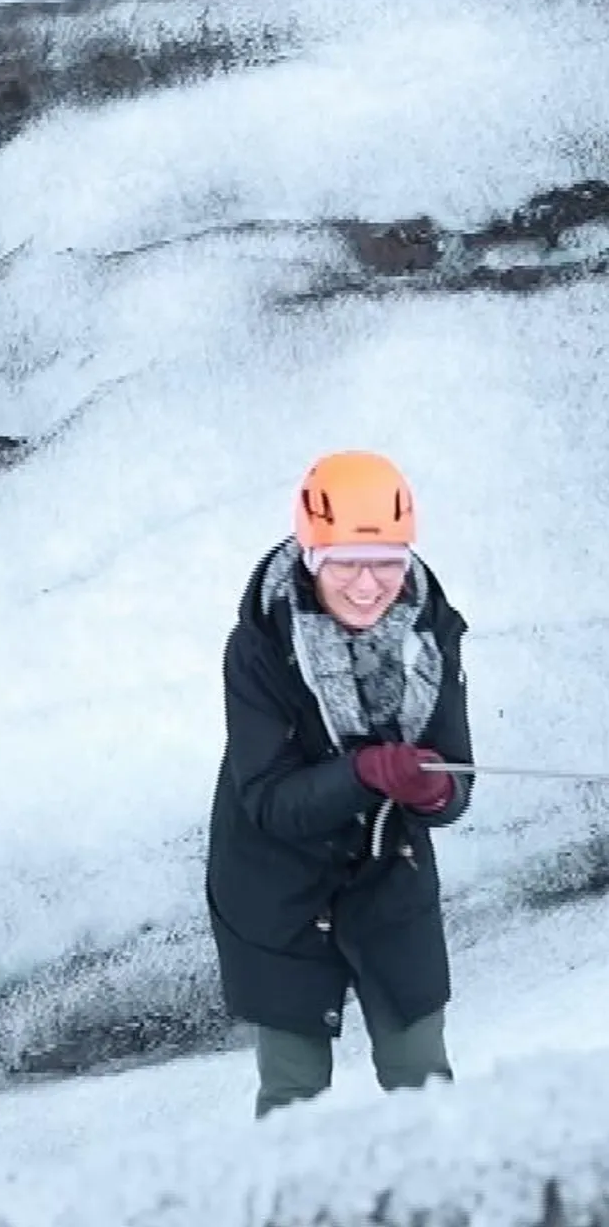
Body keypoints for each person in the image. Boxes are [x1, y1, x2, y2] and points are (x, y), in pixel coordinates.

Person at [207, 450, 475, 1118]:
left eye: (386, 562)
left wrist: (432, 791)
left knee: (422, 1076)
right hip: (276, 885)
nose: (366, 584)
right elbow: (269, 799)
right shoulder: (260, 646)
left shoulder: (431, 634)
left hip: (389, 871)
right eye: (345, 563)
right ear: (311, 557)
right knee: (294, 1091)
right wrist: (364, 772)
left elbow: (456, 777)